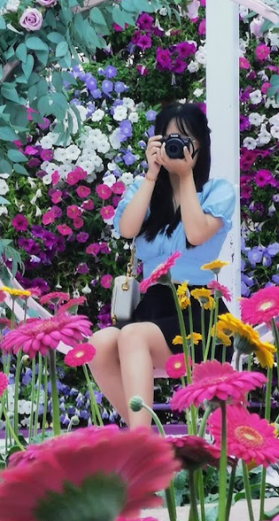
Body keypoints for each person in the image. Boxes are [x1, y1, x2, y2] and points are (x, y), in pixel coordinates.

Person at [87, 103, 236, 429]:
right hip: (153, 305)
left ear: (201, 146)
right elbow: (126, 230)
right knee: (97, 346)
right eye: (170, 139)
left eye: (185, 140)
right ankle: (146, 437)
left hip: (200, 308)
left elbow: (196, 233)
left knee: (133, 337)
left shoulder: (217, 192)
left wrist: (185, 177)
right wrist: (152, 174)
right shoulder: (145, 192)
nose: (177, 147)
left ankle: (139, 444)